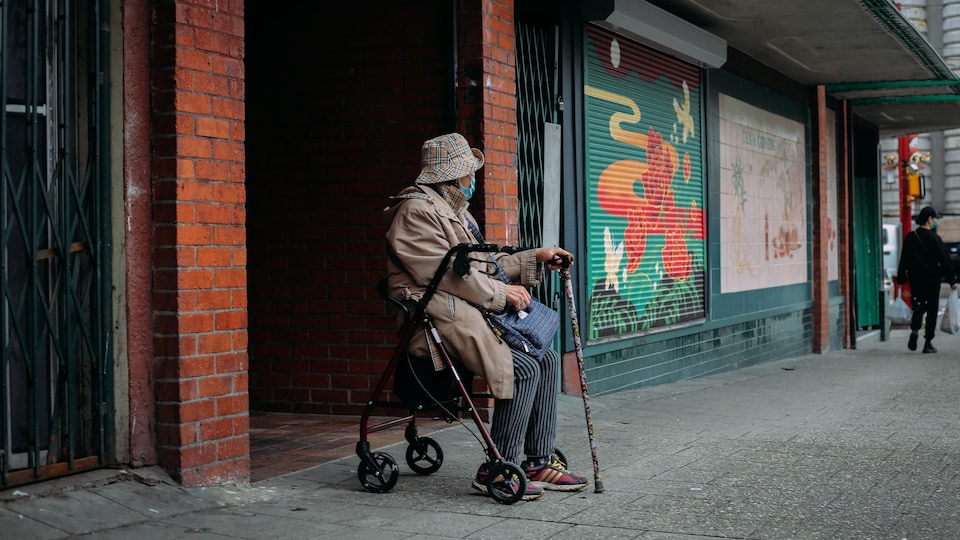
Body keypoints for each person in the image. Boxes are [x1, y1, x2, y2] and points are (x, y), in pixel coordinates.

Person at [383, 133, 588, 500]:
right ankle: (496, 467)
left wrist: (534, 257)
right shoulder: (415, 211)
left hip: (462, 305)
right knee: (522, 368)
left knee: (549, 358)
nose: (472, 179)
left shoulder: (454, 210)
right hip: (432, 313)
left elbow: (481, 267)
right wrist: (501, 294)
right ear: (451, 177)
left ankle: (537, 461)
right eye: (468, 174)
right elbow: (444, 274)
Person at [896, 206, 958, 353]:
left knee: (918, 306)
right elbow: (945, 260)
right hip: (932, 280)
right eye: (934, 219)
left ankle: (915, 330)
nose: (935, 221)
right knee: (931, 310)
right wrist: (952, 280)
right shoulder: (935, 239)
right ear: (929, 219)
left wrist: (900, 278)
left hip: (915, 279)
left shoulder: (910, 237)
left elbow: (903, 259)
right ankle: (927, 343)